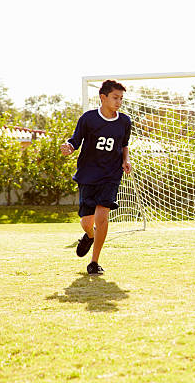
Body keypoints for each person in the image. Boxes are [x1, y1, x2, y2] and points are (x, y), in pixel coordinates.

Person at [60, 80, 132, 275]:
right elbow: (75, 140)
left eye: (121, 98)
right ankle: (89, 235)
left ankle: (94, 262)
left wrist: (126, 160)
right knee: (86, 221)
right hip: (88, 174)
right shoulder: (88, 119)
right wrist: (69, 147)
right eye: (115, 98)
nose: (119, 102)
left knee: (102, 216)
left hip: (111, 175)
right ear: (103, 97)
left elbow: (124, 144)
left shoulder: (124, 121)